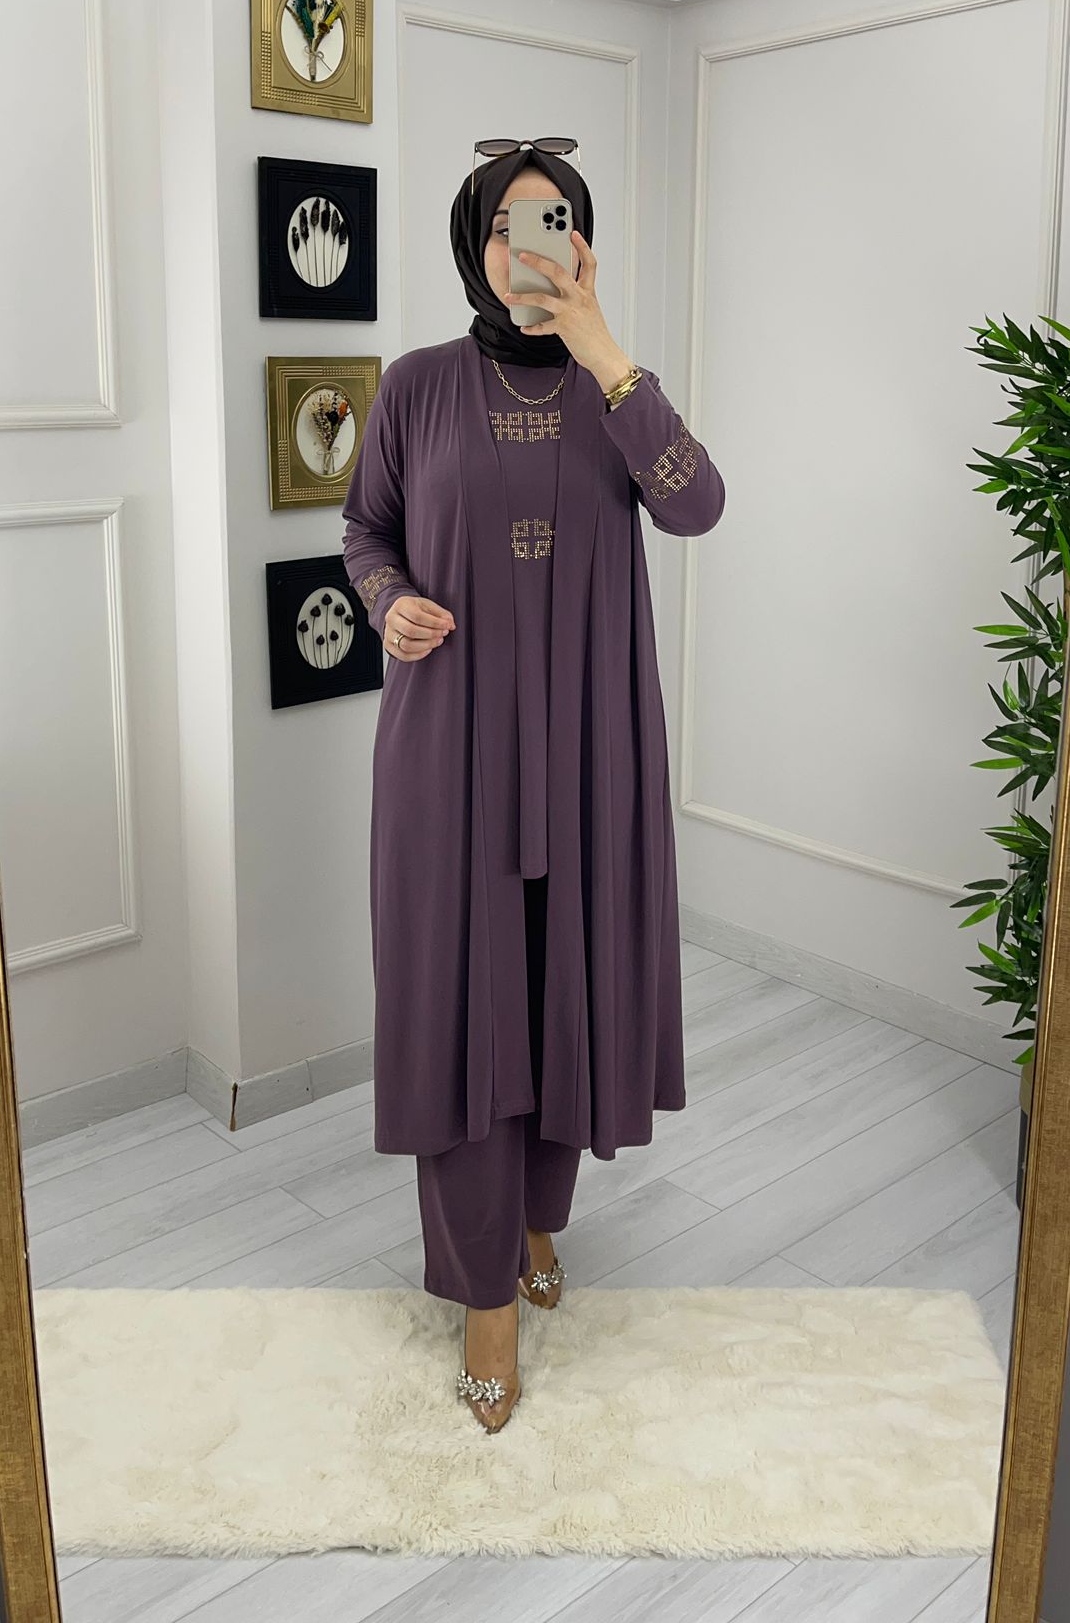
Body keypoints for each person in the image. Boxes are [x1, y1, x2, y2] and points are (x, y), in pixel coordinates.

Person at [340, 139, 725, 1433]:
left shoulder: (618, 397)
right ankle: (483, 1296)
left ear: (583, 241)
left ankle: (536, 1221)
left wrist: (605, 348)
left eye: (551, 222)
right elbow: (366, 529)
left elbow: (699, 507)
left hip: (591, 751)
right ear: (474, 245)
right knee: (462, 1012)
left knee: (571, 995)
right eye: (505, 226)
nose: (527, 248)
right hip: (449, 754)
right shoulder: (416, 387)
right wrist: (388, 602)